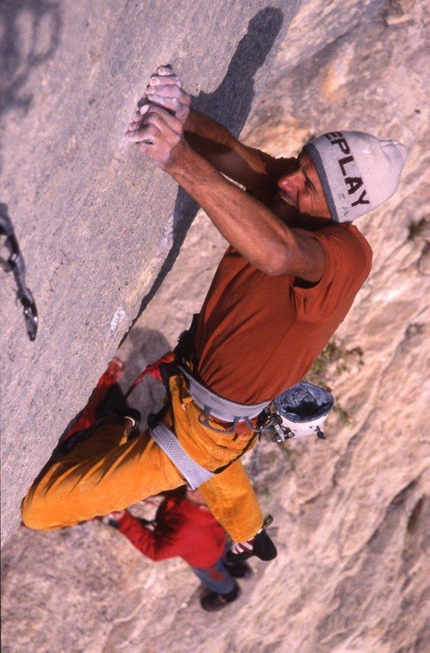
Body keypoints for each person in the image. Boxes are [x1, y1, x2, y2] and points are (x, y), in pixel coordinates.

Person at [21, 66, 407, 563]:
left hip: (204, 433)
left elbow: (278, 252)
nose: (289, 178)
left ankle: (116, 429)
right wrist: (186, 115)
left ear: (339, 211)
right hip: (206, 405)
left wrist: (177, 158)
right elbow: (237, 157)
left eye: (307, 183)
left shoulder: (343, 259)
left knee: (41, 508)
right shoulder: (295, 194)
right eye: (300, 162)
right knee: (222, 468)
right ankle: (250, 530)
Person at [103, 487, 252, 611]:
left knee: (217, 578)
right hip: (217, 540)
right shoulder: (205, 502)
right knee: (226, 555)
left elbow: (155, 550)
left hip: (206, 560)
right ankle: (240, 570)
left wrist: (125, 521)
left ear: (203, 506)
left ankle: (229, 592)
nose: (198, 488)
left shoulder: (185, 531)